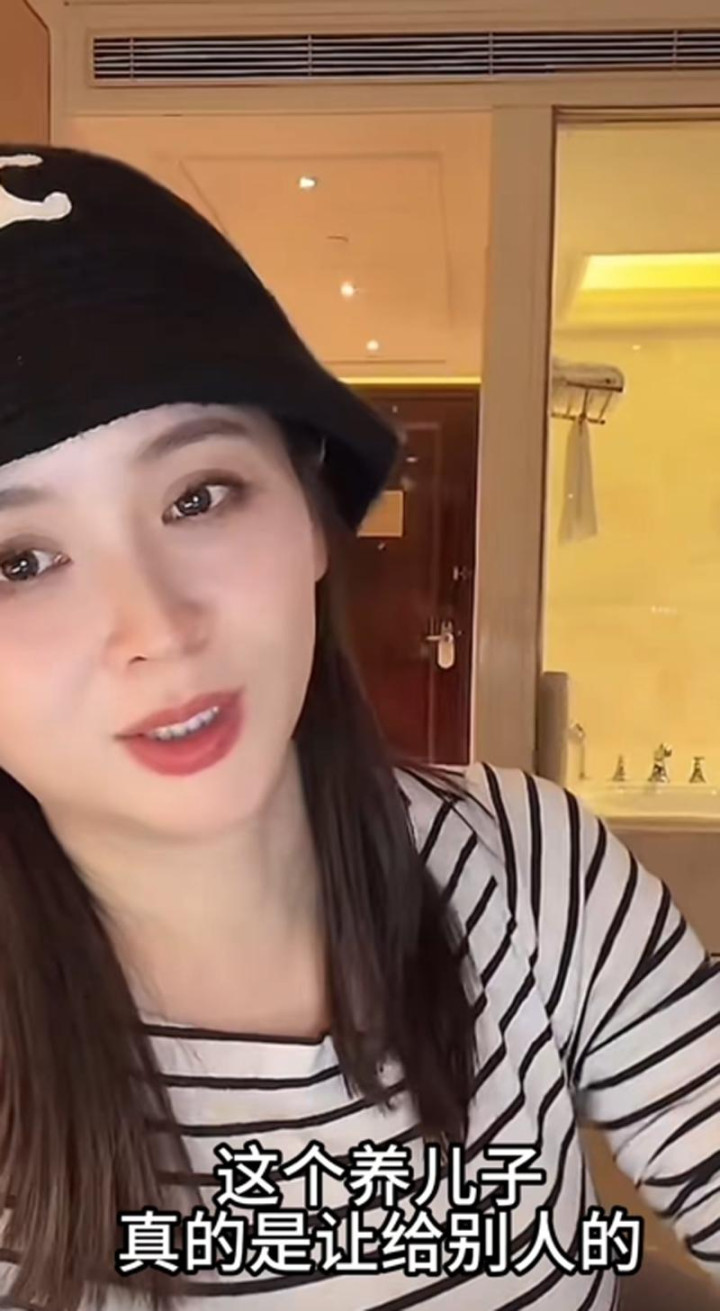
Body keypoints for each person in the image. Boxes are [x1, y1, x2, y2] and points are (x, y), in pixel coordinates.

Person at [0, 144, 716, 1311]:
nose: (158, 631)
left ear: (310, 515)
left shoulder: (529, 866)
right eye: (20, 560)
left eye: (197, 496)